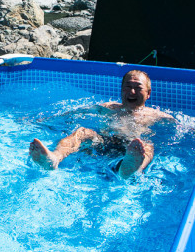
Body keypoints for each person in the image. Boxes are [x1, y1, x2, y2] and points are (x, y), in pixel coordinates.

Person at [29, 70, 175, 179]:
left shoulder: (157, 115)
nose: (132, 91)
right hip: (104, 143)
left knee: (147, 146)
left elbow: (183, 128)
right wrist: (45, 121)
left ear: (148, 93)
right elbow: (76, 112)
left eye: (138, 87)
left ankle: (131, 170)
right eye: (127, 86)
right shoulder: (109, 107)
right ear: (121, 89)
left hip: (132, 149)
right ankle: (54, 158)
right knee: (83, 131)